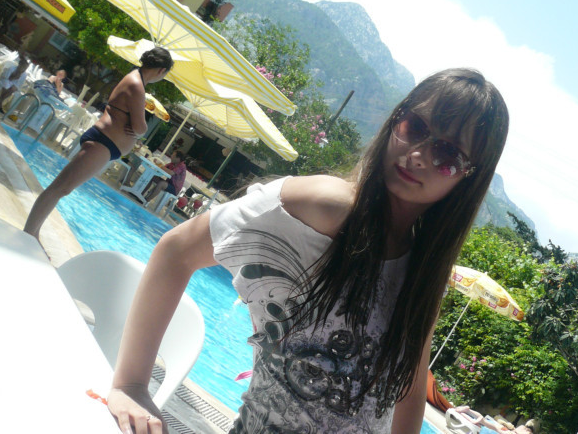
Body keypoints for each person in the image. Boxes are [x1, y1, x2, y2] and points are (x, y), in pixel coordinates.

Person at [106, 68, 509, 434]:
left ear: (469, 178)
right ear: (396, 119)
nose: (417, 154)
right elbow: (177, 250)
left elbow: (408, 387)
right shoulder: (324, 206)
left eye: (447, 154)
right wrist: (131, 384)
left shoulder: (422, 273)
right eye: (414, 126)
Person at [23, 47, 173, 239]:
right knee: (60, 187)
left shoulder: (135, 79)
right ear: (161, 70)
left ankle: (32, 232)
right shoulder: (137, 85)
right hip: (103, 142)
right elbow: (140, 127)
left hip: (105, 143)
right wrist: (139, 129)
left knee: (62, 188)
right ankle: (29, 233)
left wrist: (136, 128)